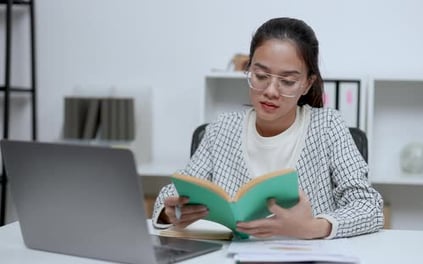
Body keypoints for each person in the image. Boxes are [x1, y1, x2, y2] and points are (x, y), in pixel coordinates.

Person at [152, 17, 384, 239]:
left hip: (306, 257)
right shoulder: (221, 129)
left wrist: (313, 227)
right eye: (261, 75)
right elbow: (173, 192)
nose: (271, 91)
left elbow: (369, 206)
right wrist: (170, 211)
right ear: (248, 70)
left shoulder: (328, 126)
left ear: (307, 83)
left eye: (288, 81)